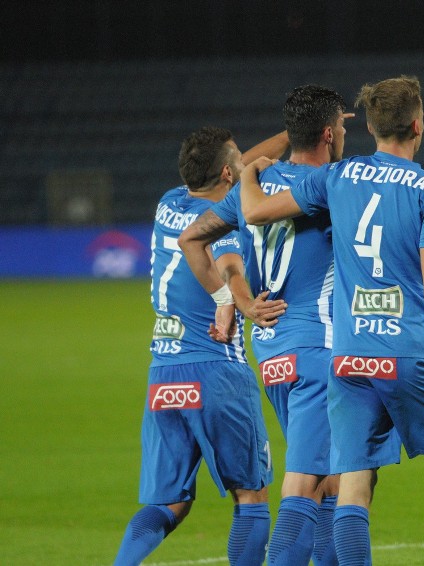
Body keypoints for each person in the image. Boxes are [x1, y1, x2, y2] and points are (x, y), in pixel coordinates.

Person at [240, 75, 424, 566]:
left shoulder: (339, 177)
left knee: (352, 484)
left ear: (371, 126)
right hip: (411, 351)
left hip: (349, 356)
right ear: (418, 125)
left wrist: (247, 173)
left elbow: (257, 212)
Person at [178, 84, 351, 566]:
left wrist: (233, 301)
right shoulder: (331, 184)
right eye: (339, 126)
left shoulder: (255, 186)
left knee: (330, 481)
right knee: (305, 486)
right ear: (327, 134)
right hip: (317, 348)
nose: (343, 133)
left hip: (272, 352)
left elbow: (191, 239)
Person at [114, 126, 288, 566]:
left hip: (164, 375)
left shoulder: (170, 202)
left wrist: (290, 133)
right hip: (216, 371)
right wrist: (240, 304)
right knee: (251, 494)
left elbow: (245, 161)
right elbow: (231, 268)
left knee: (170, 503)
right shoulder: (225, 218)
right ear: (229, 174)